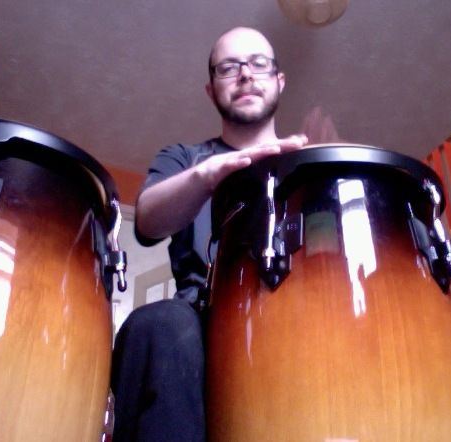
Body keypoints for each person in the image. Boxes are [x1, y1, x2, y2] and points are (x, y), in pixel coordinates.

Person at [110, 26, 309, 442]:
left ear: (279, 80)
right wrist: (206, 175)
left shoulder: (308, 166)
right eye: (229, 67)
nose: (246, 75)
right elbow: (146, 223)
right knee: (157, 324)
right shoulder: (185, 158)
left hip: (297, 318)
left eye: (258, 64)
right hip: (198, 320)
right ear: (210, 89)